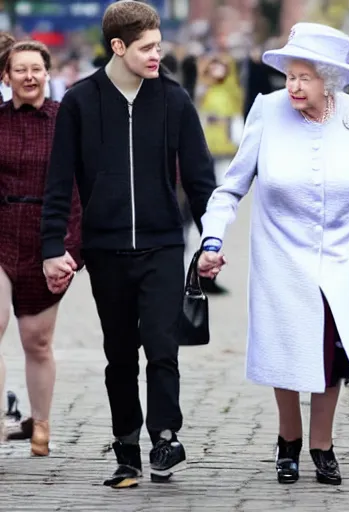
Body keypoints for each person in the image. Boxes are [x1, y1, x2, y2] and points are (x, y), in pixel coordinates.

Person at [197, 23, 349, 486]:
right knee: (287, 351)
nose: (292, 86)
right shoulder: (267, 111)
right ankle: (288, 439)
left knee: (332, 355)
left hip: (342, 257)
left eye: (303, 77)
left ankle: (322, 444)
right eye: (289, 76)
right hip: (281, 259)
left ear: (328, 79)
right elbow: (230, 188)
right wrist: (212, 239)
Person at [41, 1, 216, 488]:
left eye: (159, 45)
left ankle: (164, 437)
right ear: (118, 47)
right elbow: (60, 184)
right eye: (147, 48)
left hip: (163, 244)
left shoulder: (175, 100)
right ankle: (127, 449)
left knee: (163, 345)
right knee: (120, 354)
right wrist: (53, 246)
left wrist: (211, 239)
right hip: (106, 248)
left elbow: (202, 180)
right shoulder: (79, 102)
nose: (157, 54)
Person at [0, 40, 82, 452]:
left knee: (37, 341)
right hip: (1, 232)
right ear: (6, 76)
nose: (29, 76)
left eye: (37, 69)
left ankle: (41, 425)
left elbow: (79, 189)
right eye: (20, 69)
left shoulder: (65, 121)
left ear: (48, 74)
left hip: (48, 239)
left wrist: (71, 247)